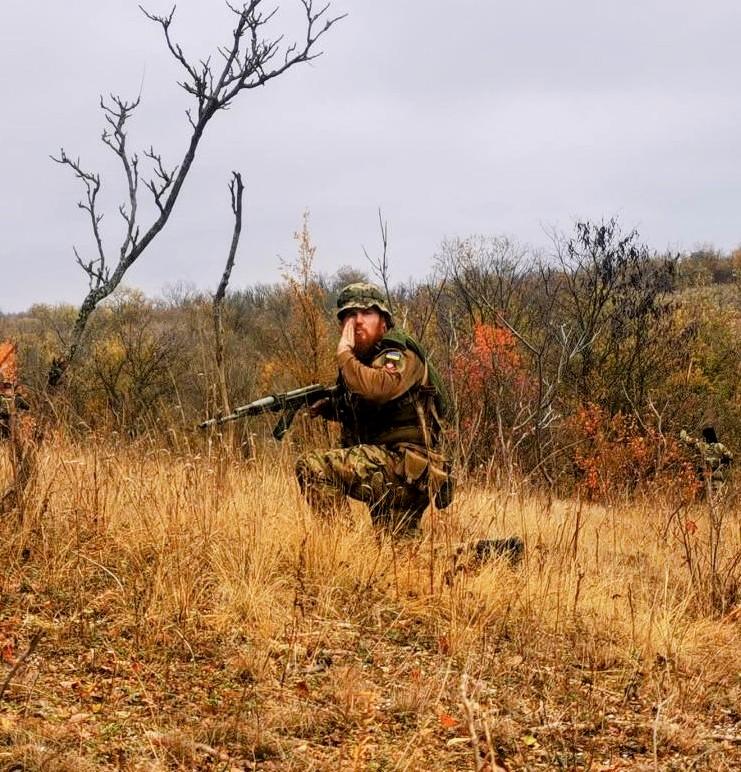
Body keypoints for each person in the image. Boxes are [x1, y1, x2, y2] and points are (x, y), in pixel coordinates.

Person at [295, 282, 453, 535]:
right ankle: (491, 554)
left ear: (384, 321)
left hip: (404, 466)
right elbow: (375, 408)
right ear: (341, 324)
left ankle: (341, 553)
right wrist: (332, 408)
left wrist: (344, 352)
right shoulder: (366, 363)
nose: (358, 321)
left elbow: (378, 389)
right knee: (400, 558)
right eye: (350, 315)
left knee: (313, 465)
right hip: (405, 472)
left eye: (367, 313)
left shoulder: (398, 353)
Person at [680, 426, 733, 493]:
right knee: (717, 496)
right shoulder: (719, 446)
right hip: (716, 472)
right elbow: (730, 456)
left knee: (702, 495)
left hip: (703, 473)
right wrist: (722, 461)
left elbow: (685, 438)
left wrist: (683, 429)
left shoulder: (700, 445)